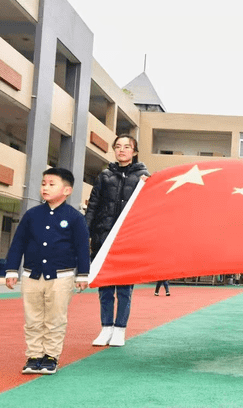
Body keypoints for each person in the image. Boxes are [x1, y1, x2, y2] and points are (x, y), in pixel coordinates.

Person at [4, 168, 90, 375]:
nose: (45, 188)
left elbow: (81, 247)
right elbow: (18, 243)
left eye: (52, 184)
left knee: (55, 318)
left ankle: (51, 356)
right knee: (33, 318)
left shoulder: (75, 217)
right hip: (31, 275)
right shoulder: (32, 215)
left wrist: (83, 274)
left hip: (62, 276)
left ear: (67, 190)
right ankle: (34, 355)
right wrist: (11, 270)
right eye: (44, 183)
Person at [85, 135, 149, 347]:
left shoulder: (143, 176)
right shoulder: (104, 176)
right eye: (118, 147)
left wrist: (147, 186)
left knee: (123, 288)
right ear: (114, 150)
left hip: (127, 239)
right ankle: (106, 328)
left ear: (134, 151)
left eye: (127, 147)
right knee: (104, 286)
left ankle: (120, 329)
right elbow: (93, 205)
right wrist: (86, 232)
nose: (122, 150)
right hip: (103, 236)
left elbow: (148, 209)